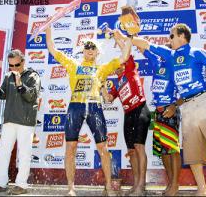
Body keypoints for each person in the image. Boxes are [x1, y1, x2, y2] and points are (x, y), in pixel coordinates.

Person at [122, 23, 206, 196]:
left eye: (172, 36)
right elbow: (145, 45)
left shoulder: (196, 52)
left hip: (204, 100)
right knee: (192, 152)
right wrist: (128, 37)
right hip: (187, 106)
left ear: (182, 36)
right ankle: (202, 188)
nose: (169, 39)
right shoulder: (170, 55)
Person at [46, 26, 131, 196]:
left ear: (97, 52)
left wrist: (126, 36)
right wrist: (48, 29)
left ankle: (108, 187)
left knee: (104, 148)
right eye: (87, 47)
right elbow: (52, 49)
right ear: (83, 50)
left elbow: (125, 56)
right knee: (70, 148)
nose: (90, 50)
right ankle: (71, 188)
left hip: (94, 106)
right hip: (75, 107)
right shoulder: (73, 64)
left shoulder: (102, 68)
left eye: (93, 47)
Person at [0, 49, 41, 195]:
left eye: (17, 65)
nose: (14, 68)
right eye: (11, 66)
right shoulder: (8, 75)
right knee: (3, 151)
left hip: (25, 121)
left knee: (24, 153)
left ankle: (21, 185)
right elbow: (3, 95)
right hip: (9, 120)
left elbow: (31, 96)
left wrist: (20, 84)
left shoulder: (33, 75)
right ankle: (0, 183)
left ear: (23, 61)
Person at [101, 37, 151, 196]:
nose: (116, 68)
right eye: (114, 67)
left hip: (140, 110)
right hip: (127, 115)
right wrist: (102, 85)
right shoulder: (117, 84)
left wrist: (117, 36)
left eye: (118, 65)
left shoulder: (130, 69)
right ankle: (136, 183)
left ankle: (141, 186)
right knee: (131, 150)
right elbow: (108, 99)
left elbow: (126, 50)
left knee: (139, 147)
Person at [142, 47, 182, 196]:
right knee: (163, 151)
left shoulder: (177, 66)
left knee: (172, 149)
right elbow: (142, 47)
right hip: (158, 113)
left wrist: (174, 106)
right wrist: (132, 33)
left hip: (170, 110)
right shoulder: (157, 63)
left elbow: (186, 93)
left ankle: (175, 185)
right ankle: (171, 183)